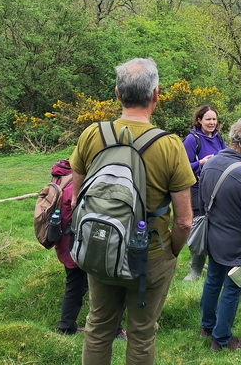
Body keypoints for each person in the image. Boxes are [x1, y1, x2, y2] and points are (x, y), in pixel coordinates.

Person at [69, 58, 195, 365]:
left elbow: (76, 200)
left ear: (117, 93)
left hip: (100, 248)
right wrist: (170, 253)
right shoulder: (169, 145)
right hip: (149, 256)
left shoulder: (92, 134)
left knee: (98, 327)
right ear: (156, 94)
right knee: (141, 334)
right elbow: (184, 221)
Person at [198, 119, 241, 351]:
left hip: (213, 237)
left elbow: (202, 204)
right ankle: (222, 339)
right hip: (236, 245)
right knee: (233, 288)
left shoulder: (209, 164)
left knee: (213, 280)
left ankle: (207, 326)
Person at [52, 158, 126, 339]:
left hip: (64, 241)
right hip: (79, 243)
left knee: (76, 285)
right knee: (103, 284)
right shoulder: (77, 184)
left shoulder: (61, 176)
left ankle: (67, 326)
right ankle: (111, 329)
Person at [182, 104, 227, 281]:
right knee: (199, 227)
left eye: (214, 119)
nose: (212, 122)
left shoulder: (219, 138)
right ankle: (195, 269)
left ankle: (210, 262)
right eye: (208, 119)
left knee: (215, 226)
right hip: (197, 190)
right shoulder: (191, 140)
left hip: (217, 189)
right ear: (199, 120)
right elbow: (182, 167)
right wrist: (201, 163)